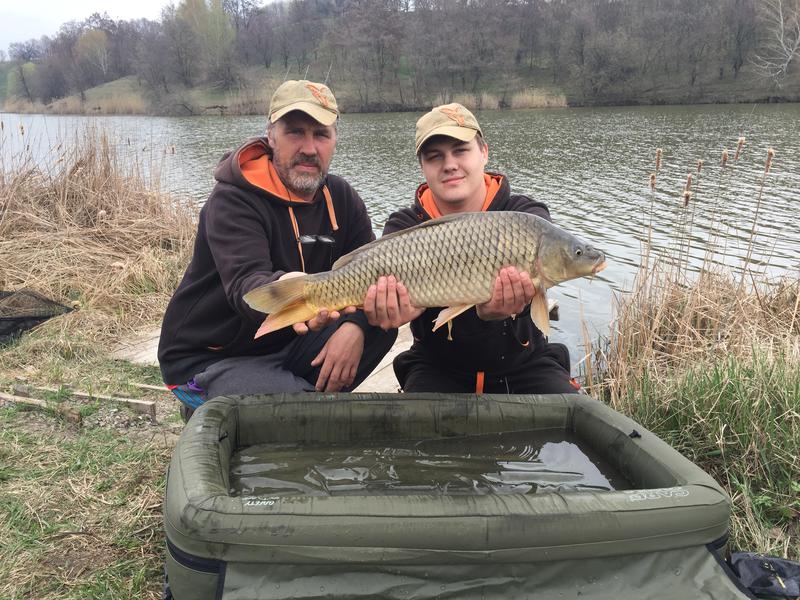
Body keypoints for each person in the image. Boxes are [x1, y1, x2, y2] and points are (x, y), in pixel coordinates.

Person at [158, 80, 396, 417]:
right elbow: (246, 287)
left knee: (379, 325)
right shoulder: (234, 199)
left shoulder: (341, 198)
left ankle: (285, 402)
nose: (310, 148)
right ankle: (220, 404)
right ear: (271, 136)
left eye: (321, 135)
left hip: (288, 343)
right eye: (296, 132)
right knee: (305, 417)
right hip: (211, 355)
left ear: (335, 141)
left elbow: (373, 275)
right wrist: (293, 291)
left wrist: (355, 326)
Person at [364, 103, 580, 395]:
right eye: (434, 156)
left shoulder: (525, 215)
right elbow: (381, 310)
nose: (449, 164)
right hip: (438, 368)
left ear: (484, 152)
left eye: (460, 150)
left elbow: (539, 291)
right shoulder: (405, 227)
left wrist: (495, 315)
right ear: (423, 166)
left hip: (523, 364)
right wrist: (384, 316)